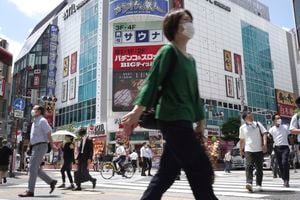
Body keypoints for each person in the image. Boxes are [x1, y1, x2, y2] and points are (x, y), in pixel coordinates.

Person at [121, 9, 218, 200]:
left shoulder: (191, 60)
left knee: (166, 174)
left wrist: (201, 120)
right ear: (174, 26)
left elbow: (194, 93)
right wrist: (136, 111)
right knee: (200, 168)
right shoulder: (168, 51)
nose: (190, 24)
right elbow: (152, 81)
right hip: (171, 118)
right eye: (185, 20)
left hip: (184, 119)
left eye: (191, 19)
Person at [18, 105, 58, 197]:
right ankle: (51, 181)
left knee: (32, 168)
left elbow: (48, 132)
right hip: (35, 146)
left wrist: (52, 145)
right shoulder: (35, 122)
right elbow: (33, 136)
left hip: (41, 145)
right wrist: (29, 146)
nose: (33, 110)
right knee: (35, 168)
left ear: (39, 111)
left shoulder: (42, 121)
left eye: (34, 109)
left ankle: (30, 191)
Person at [239, 111, 268, 193]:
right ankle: (249, 183)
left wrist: (265, 144)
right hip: (248, 150)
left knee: (259, 168)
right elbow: (242, 140)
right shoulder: (242, 128)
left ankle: (259, 185)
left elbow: (264, 133)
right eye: (249, 114)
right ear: (245, 118)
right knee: (248, 166)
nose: (251, 115)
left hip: (259, 149)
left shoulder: (258, 124)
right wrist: (241, 150)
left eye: (251, 114)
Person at [269, 113, 290, 187]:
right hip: (277, 148)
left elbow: (291, 135)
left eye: (279, 118)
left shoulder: (285, 127)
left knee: (285, 162)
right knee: (280, 164)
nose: (279, 119)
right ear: (274, 120)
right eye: (277, 118)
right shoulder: (271, 130)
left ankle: (287, 180)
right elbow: (270, 139)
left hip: (285, 147)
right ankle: (284, 179)